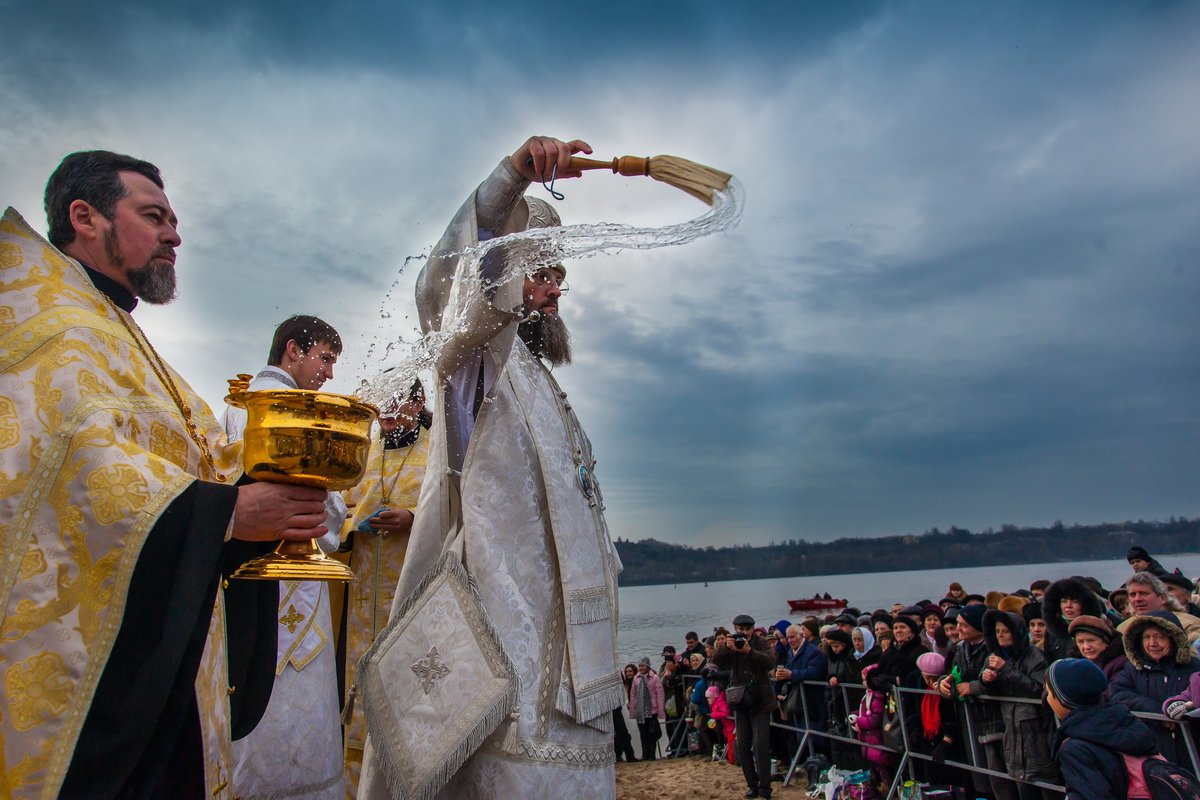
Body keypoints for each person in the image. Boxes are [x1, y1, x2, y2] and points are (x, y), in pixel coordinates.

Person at [0, 151, 331, 798]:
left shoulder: (117, 331)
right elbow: (66, 471)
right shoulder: (48, 324)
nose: (174, 235)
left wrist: (265, 484)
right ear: (85, 217)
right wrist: (230, 514)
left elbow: (194, 456)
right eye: (154, 217)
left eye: (174, 220)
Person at [357, 136, 623, 798]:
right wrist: (510, 181)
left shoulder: (542, 384)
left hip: (574, 667)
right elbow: (444, 290)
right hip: (504, 659)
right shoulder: (478, 362)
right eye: (540, 272)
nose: (554, 291)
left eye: (560, 276)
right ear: (503, 275)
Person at [223, 314, 349, 800]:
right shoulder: (291, 410)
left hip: (244, 575)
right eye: (325, 358)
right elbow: (325, 513)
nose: (329, 373)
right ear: (293, 350)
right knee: (288, 695)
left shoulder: (239, 405)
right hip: (287, 573)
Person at [337, 379, 430, 794]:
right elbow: (336, 510)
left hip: (414, 600)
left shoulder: (438, 451)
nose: (387, 411)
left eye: (397, 401)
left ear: (419, 402)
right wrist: (350, 526)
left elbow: (458, 510)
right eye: (382, 402)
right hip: (359, 603)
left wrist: (412, 518)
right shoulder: (362, 452)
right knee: (357, 702)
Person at [1046, 658, 1159, 799]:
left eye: (1049, 692)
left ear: (1063, 699)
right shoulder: (1125, 722)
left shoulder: (1075, 748)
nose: (1047, 699)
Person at [941, 603, 1017, 800]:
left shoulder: (993, 648)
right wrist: (944, 684)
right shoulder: (960, 649)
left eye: (964, 625)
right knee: (981, 774)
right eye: (958, 623)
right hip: (972, 720)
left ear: (979, 627)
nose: (958, 629)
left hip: (996, 719)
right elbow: (954, 674)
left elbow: (998, 680)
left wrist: (973, 687)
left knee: (1002, 776)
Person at [981, 611, 1060, 799]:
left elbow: (1038, 689)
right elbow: (989, 688)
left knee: (1048, 787)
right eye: (997, 631)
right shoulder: (994, 656)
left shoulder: (1035, 656)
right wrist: (986, 679)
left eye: (1005, 631)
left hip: (1038, 730)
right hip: (1013, 731)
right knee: (1023, 787)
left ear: (1016, 632)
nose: (1000, 635)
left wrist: (1005, 669)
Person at [1109, 611, 1200, 768]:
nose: (1152, 643)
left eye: (1160, 637)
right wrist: (1159, 712)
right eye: (1147, 637)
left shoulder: (1194, 667)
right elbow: (1118, 694)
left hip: (1191, 749)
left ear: (1174, 638)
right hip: (1152, 750)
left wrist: (1185, 708)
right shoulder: (1133, 669)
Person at [714, 613, 777, 799]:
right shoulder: (731, 643)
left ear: (753, 629)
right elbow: (716, 661)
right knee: (742, 745)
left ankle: (765, 787)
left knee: (760, 745)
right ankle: (752, 785)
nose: (744, 633)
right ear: (735, 628)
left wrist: (750, 651)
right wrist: (726, 647)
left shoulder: (761, 643)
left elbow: (770, 662)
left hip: (760, 700)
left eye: (748, 629)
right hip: (740, 699)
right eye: (741, 629)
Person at [1119, 571, 1200, 643]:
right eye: (1133, 595)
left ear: (1162, 598)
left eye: (1143, 593)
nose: (1137, 599)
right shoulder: (1123, 629)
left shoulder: (1190, 624)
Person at [1042, 576, 1107, 661]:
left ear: (1084, 604)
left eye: (1075, 601)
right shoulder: (1051, 631)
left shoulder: (1097, 627)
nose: (1068, 606)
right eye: (1064, 601)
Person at [628, 657, 666, 761]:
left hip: (652, 710)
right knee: (643, 733)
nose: (641, 668)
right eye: (639, 666)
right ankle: (645, 754)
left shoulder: (655, 678)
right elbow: (633, 694)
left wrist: (660, 710)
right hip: (640, 710)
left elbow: (660, 695)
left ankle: (652, 755)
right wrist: (632, 709)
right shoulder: (636, 678)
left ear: (648, 666)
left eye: (643, 666)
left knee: (652, 733)